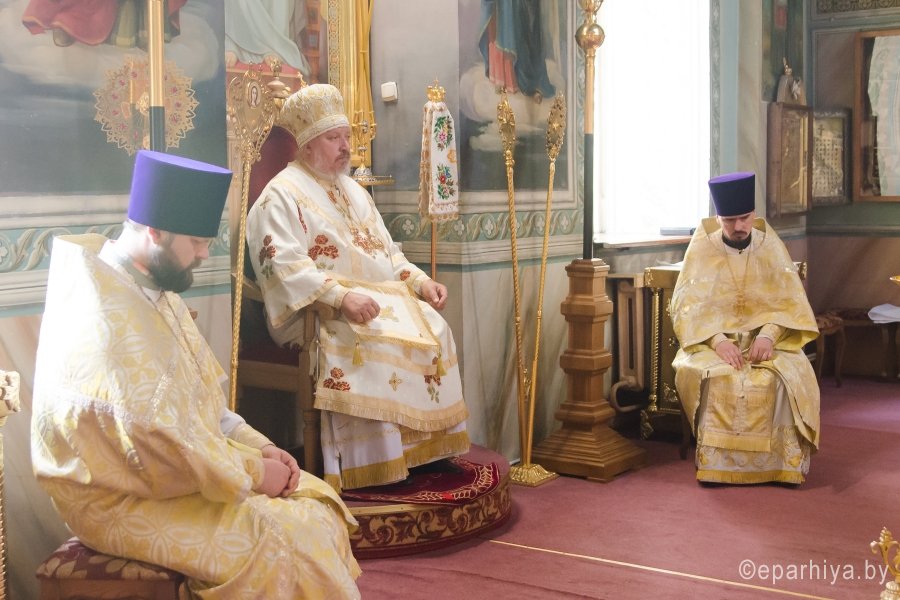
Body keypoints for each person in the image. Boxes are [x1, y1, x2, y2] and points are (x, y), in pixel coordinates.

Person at [31, 150, 361, 598]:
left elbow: (203, 402)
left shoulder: (152, 287)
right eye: (195, 242)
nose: (205, 254)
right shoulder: (105, 319)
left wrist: (260, 446)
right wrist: (254, 472)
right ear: (154, 232)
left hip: (173, 470)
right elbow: (157, 445)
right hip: (118, 495)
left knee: (316, 502)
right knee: (282, 539)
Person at [246, 83, 470, 492]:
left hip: (377, 301)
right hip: (314, 311)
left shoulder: (353, 191)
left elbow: (387, 253)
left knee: (436, 328)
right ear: (308, 146)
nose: (346, 146)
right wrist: (340, 297)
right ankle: (375, 461)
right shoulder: (280, 195)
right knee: (372, 338)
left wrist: (420, 282)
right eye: (334, 138)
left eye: (347, 136)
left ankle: (421, 452)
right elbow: (283, 265)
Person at [670, 172, 820, 485]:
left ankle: (782, 464)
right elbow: (688, 308)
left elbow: (789, 302)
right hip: (710, 343)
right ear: (718, 218)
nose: (739, 226)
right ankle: (716, 465)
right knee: (716, 377)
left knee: (783, 379)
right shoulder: (702, 249)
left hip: (768, 341)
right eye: (729, 220)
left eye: (745, 218)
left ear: (753, 214)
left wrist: (768, 335)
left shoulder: (770, 246)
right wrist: (718, 341)